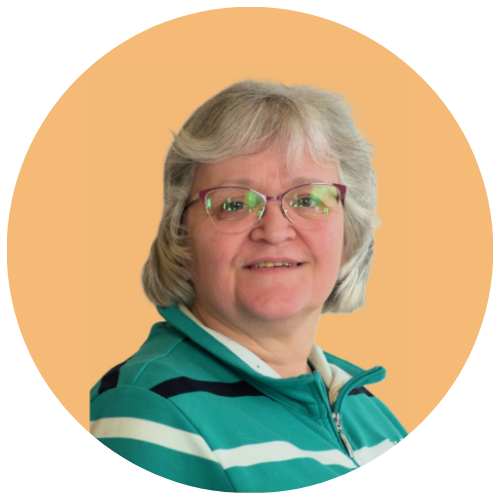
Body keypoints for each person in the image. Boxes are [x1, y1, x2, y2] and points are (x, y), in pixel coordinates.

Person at [90, 80, 407, 492]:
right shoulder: (150, 410)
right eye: (235, 204)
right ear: (181, 237)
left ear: (350, 231)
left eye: (308, 200)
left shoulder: (363, 405)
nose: (274, 231)